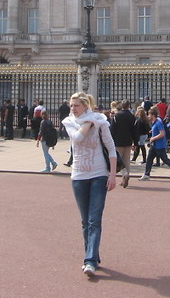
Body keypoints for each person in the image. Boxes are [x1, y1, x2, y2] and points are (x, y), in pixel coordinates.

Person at [61, 92, 117, 276]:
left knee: (94, 220)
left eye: (76, 105)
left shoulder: (100, 121)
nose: (73, 108)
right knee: (85, 221)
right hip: (78, 174)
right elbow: (77, 138)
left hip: (99, 174)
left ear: (85, 106)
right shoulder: (69, 122)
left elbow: (110, 147)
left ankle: (90, 260)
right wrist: (87, 122)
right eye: (71, 105)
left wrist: (113, 175)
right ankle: (92, 254)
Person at [139, 106, 170, 182]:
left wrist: (153, 138)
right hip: (154, 146)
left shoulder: (158, 123)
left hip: (159, 145)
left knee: (165, 160)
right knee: (149, 159)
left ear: (153, 115)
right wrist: (152, 131)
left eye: (149, 115)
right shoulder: (154, 122)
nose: (148, 116)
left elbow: (162, 134)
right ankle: (146, 174)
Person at [110, 100, 137, 188]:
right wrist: (135, 142)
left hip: (118, 141)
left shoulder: (117, 115)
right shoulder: (131, 116)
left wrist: (111, 141)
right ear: (128, 106)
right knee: (127, 160)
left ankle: (124, 174)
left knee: (119, 160)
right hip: (128, 141)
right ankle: (125, 176)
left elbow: (112, 129)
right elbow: (134, 130)